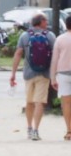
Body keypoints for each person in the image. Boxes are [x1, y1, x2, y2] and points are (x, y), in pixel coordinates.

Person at [9, 12, 57, 140]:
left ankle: (29, 128)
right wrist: (54, 74)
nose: (47, 23)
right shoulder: (50, 36)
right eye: (45, 21)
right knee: (39, 102)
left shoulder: (25, 36)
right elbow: (55, 55)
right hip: (44, 73)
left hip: (29, 73)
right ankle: (36, 130)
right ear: (41, 22)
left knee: (29, 102)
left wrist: (13, 73)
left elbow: (18, 53)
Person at [51, 14, 71, 141]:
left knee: (66, 103)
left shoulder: (60, 39)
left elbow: (54, 60)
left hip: (63, 73)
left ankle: (69, 130)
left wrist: (53, 78)